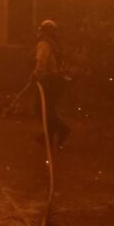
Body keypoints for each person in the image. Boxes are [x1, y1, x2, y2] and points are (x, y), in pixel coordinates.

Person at [33, 19, 71, 147]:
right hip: (58, 80)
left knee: (41, 109)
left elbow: (42, 62)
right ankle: (48, 136)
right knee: (48, 109)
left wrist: (35, 75)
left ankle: (61, 129)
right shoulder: (56, 44)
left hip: (49, 80)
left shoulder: (44, 44)